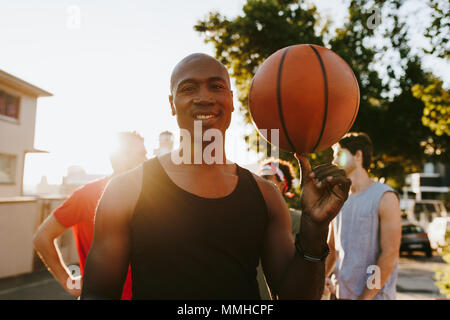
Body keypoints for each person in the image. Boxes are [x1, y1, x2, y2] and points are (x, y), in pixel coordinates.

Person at [81, 53, 351, 300]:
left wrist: (314, 229)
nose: (204, 97)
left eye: (216, 86)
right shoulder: (126, 190)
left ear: (232, 100)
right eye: (188, 88)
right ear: (171, 104)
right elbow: (97, 295)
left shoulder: (265, 196)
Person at [33, 131, 147, 299]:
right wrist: (68, 282)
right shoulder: (87, 195)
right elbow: (42, 237)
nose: (146, 160)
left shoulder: (149, 197)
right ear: (122, 157)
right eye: (142, 155)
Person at [325, 132, 402, 300]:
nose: (334, 161)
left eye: (338, 154)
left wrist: (365, 297)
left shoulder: (385, 196)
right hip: (339, 295)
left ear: (358, 155)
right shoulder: (338, 198)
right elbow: (331, 249)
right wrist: (322, 277)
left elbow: (389, 254)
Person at [259, 158, 302, 238]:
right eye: (259, 179)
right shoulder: (250, 218)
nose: (260, 183)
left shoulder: (299, 220)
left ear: (282, 185)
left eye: (267, 178)